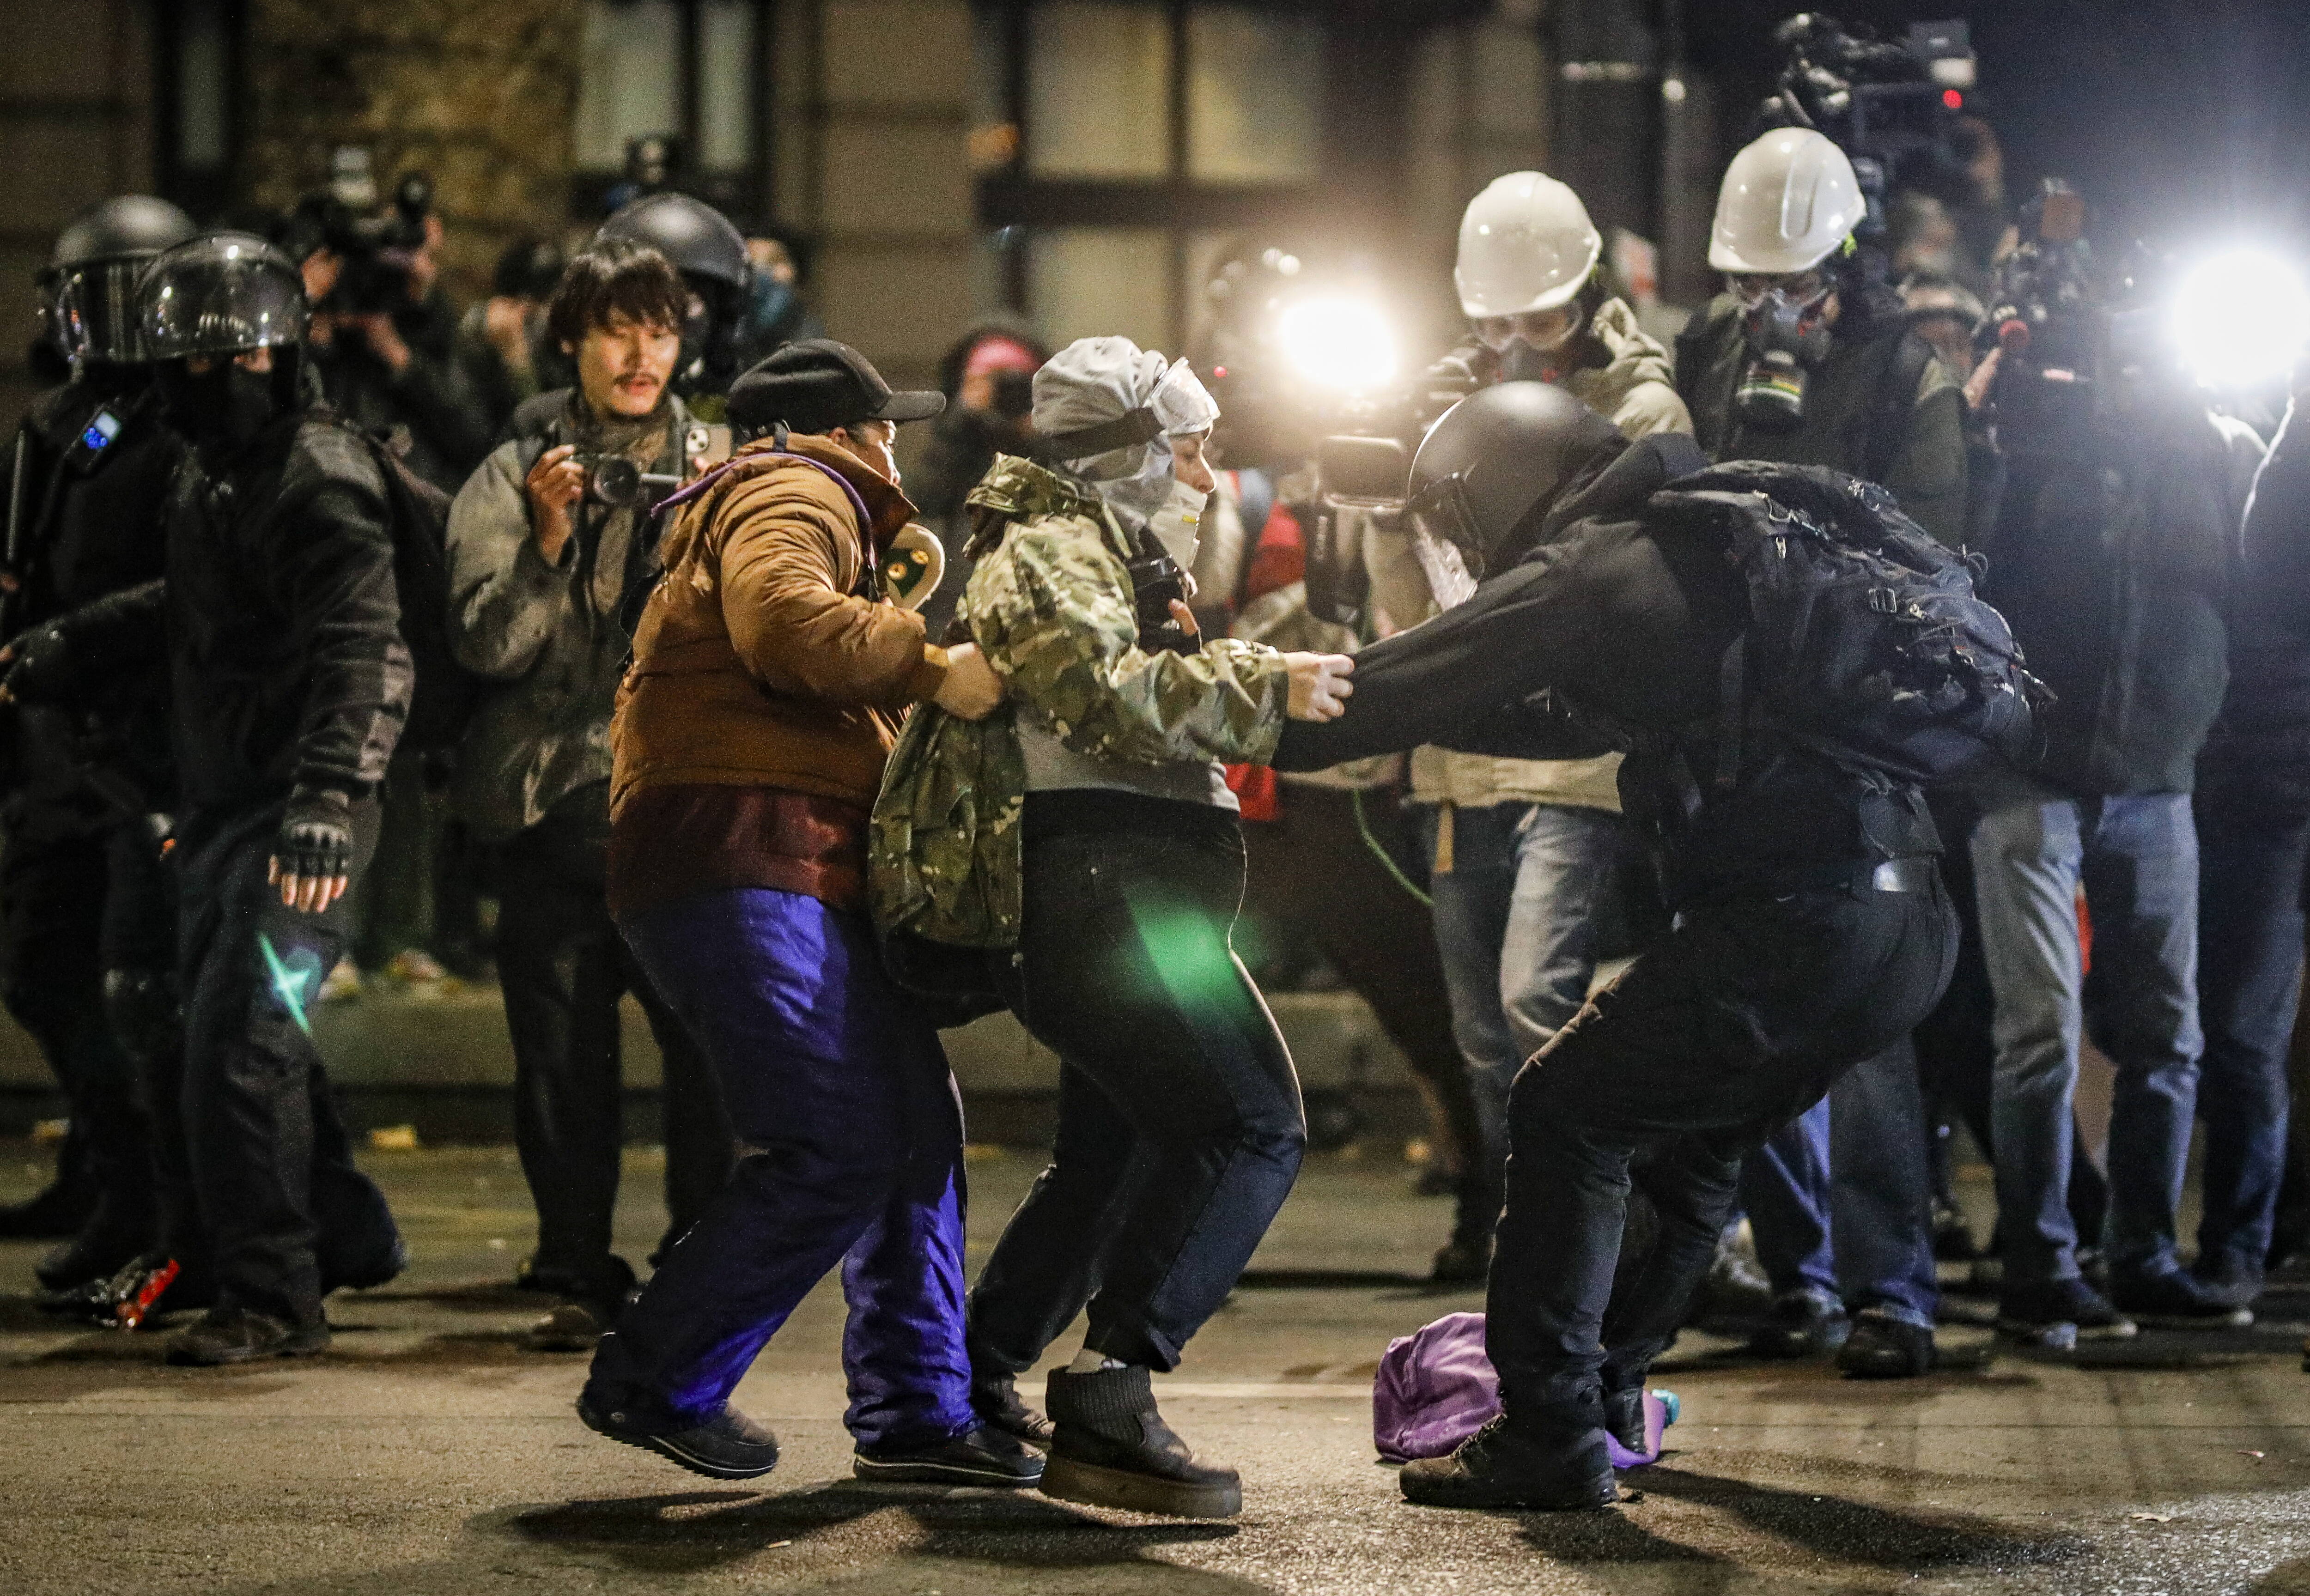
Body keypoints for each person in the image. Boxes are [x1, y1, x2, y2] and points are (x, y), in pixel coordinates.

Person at [1270, 383, 2015, 1508]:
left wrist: (1215, 699)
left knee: (1564, 1106)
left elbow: (1396, 688)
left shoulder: (1591, 567)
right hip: (1903, 925)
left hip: (1794, 923)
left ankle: (1548, 1433)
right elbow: (1549, 718)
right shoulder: (1706, 552)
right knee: (1689, 1145)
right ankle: (1605, 1395)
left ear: (1498, 490)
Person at [872, 335, 1355, 1519]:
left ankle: (974, 1378)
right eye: (1188, 448)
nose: (1204, 473)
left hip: (1121, 885)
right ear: (1126, 453)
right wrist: (1265, 683)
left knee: (1118, 1151)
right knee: (1253, 1123)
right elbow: (1112, 699)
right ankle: (1113, 1384)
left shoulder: (1099, 549)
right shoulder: (1047, 547)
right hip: (1106, 889)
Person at [576, 338, 1033, 1488]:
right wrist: (928, 666)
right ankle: (657, 1373)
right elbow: (782, 620)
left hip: (776, 852)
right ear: (840, 431)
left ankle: (919, 1415)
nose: (896, 443)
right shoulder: (796, 485)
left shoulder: (800, 499)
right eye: (882, 425)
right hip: (745, 845)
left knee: (913, 1127)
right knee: (834, 1138)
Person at [1, 232, 411, 1365]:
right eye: (190, 363)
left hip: (299, 819)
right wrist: (72, 643)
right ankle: (319, 1244)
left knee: (243, 1045)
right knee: (207, 1041)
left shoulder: (316, 475)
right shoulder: (211, 470)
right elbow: (191, 598)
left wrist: (327, 795)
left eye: (229, 361)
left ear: (273, 360)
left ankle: (278, 1299)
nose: (205, 383)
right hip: (228, 805)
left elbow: (363, 647)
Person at [1674, 127, 1969, 1375]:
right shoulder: (1706, 355)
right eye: (1746, 284)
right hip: (1727, 736)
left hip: (1855, 742)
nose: (1765, 306)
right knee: (1742, 1013)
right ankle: (1798, 1272)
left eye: (1785, 283)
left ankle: (1889, 1292)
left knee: (1866, 1022)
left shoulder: (1908, 375)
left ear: (1843, 264)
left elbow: (1942, 554)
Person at [1398, 171, 1693, 1277]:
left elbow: (1627, 588)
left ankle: (1619, 1224)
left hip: (1574, 756)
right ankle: (1527, 1231)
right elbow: (1404, 586)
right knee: (1481, 1032)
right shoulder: (1440, 405)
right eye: (1493, 325)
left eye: (1542, 321)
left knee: (1538, 1000)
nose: (1516, 345)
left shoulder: (1642, 409)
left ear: (1586, 299)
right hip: (1458, 752)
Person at [445, 239, 735, 1351]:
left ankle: (701, 1255)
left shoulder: (718, 458)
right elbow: (485, 642)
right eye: (618, 327)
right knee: (561, 1059)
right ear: (571, 335)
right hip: (548, 806)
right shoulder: (516, 464)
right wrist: (551, 540)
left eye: (660, 328)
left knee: (706, 1044)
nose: (641, 352)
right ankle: (574, 1258)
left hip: (681, 802)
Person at [1965, 256, 2249, 1341]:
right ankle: (2039, 1267)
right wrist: (1989, 397)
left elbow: (2245, 585)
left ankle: (2139, 1254)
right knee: (2039, 1028)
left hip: (2157, 780)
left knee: (2165, 1035)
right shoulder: (2026, 443)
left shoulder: (2206, 449)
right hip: (2030, 777)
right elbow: (1959, 559)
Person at [0, 196, 193, 1293]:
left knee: (138, 994)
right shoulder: (57, 428)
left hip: (142, 748)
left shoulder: (192, 427)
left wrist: (76, 642)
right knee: (43, 967)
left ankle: (147, 1206)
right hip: (50, 744)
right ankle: (113, 1180)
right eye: (90, 298)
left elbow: (201, 587)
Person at [2196, 384, 2310, 1308]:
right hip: (2260, 788)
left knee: (2242, 1032)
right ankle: (2245, 1239)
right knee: (2236, 1029)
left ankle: (2248, 1241)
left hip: (2262, 787)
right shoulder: (2257, 466)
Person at [907, 322, 1049, 639]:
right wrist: (960, 420)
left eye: (1017, 383)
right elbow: (924, 501)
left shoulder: (1048, 445)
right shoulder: (954, 444)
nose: (1006, 394)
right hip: (951, 620)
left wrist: (1037, 432)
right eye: (993, 380)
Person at [596, 193, 754, 418]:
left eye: (686, 303)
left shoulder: (745, 417)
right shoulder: (554, 419)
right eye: (644, 305)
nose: (664, 324)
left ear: (724, 319)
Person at [456, 235, 566, 436]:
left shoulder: (559, 347)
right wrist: (513, 360)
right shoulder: (476, 337)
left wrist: (520, 365)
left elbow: (555, 428)